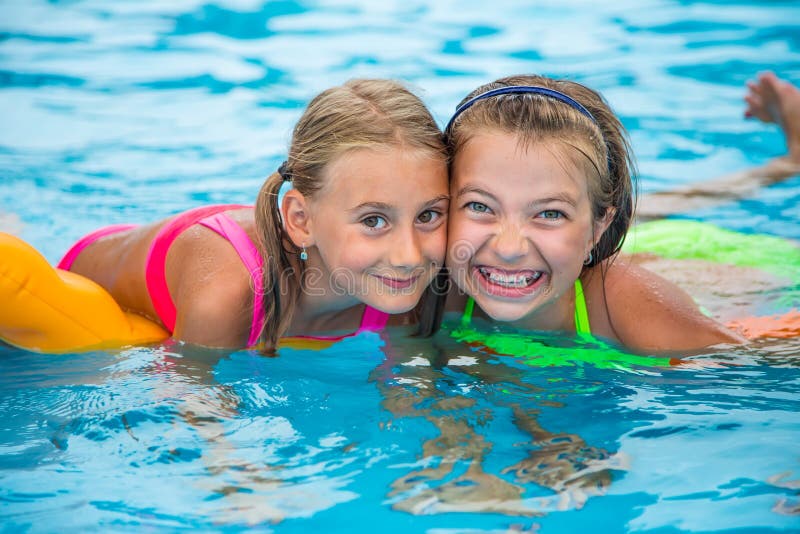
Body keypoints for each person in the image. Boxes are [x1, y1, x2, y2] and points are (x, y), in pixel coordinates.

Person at [0, 79, 450, 352]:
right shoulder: (228, 290)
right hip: (104, 288)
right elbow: (195, 410)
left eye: (429, 215)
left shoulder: (408, 290)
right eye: (374, 220)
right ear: (300, 220)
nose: (410, 254)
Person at [440, 74, 753, 354]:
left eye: (550, 214)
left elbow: (756, 364)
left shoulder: (627, 304)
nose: (508, 249)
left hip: (725, 271)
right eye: (480, 207)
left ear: (598, 228)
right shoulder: (434, 290)